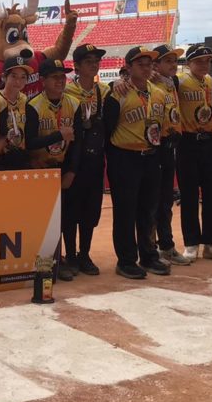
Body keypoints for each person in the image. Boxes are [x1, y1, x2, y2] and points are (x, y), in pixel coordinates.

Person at [103, 47, 171, 279]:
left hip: (151, 155)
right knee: (125, 212)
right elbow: (107, 129)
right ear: (128, 67)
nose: (145, 68)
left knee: (148, 210)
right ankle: (126, 260)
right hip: (125, 157)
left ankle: (149, 255)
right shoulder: (118, 93)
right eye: (140, 64)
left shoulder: (159, 93)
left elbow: (160, 125)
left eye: (148, 64)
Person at [176, 44, 212, 263]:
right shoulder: (179, 81)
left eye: (208, 61)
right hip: (188, 141)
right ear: (189, 63)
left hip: (209, 141)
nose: (204, 65)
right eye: (199, 61)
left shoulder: (209, 81)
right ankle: (191, 243)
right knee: (189, 195)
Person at [26, 58, 81, 279]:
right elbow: (29, 143)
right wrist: (58, 135)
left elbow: (78, 142)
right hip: (41, 170)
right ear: (43, 80)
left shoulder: (74, 104)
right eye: (55, 77)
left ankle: (67, 258)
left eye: (63, 77)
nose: (60, 81)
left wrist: (71, 171)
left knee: (67, 217)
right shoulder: (33, 106)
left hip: (63, 167)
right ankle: (48, 262)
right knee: (45, 221)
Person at [62, 44, 110, 277]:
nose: (94, 65)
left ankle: (85, 254)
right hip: (73, 159)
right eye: (88, 61)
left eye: (96, 61)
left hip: (95, 159)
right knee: (71, 210)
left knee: (91, 211)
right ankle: (71, 255)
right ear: (77, 66)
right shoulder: (67, 92)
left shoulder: (105, 91)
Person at [149, 44, 191, 266]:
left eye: (175, 61)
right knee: (152, 200)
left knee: (165, 199)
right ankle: (149, 248)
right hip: (153, 145)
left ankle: (166, 245)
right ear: (155, 65)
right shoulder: (149, 83)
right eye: (168, 61)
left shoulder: (173, 82)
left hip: (170, 144)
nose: (174, 65)